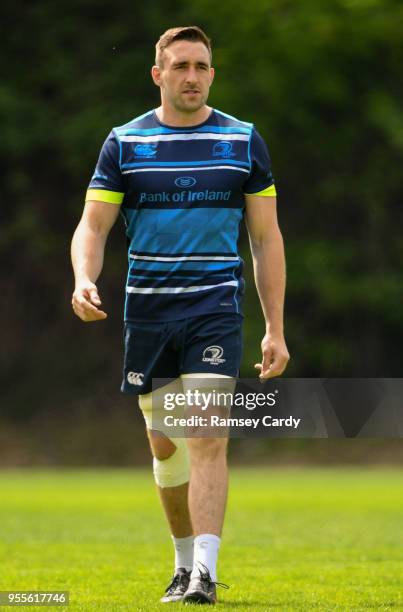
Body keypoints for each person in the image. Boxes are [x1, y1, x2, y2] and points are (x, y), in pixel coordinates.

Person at [71, 25, 289, 605]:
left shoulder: (243, 141)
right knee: (164, 444)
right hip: (148, 313)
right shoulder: (125, 143)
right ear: (158, 74)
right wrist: (84, 278)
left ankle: (206, 576)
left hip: (216, 306)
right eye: (181, 66)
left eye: (201, 66)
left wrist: (274, 327)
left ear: (212, 73)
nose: (192, 77)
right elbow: (94, 225)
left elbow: (266, 240)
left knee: (207, 432)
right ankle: (182, 561)